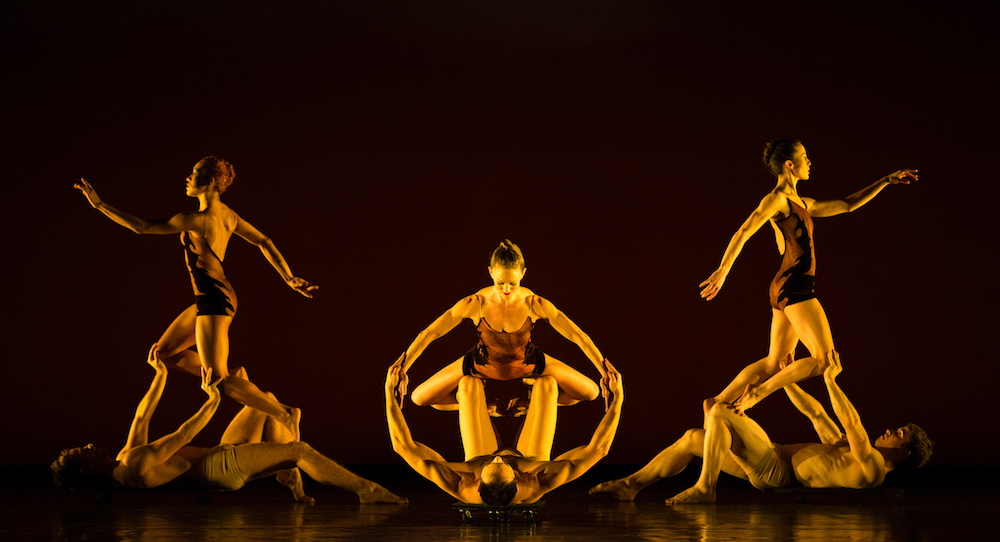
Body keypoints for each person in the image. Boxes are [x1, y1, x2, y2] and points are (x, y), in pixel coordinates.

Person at [74, 157, 316, 437]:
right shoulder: (229, 216)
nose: (188, 178)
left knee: (216, 379)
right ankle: (237, 376)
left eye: (195, 173)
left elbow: (141, 227)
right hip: (211, 300)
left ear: (210, 181)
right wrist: (288, 277)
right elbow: (265, 241)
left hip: (216, 302)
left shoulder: (194, 220)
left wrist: (100, 205)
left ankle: (285, 413)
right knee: (161, 355)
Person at [699, 141, 917, 413]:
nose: (810, 161)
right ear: (789, 164)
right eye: (804, 157)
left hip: (784, 286)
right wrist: (723, 270)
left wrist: (885, 181)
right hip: (795, 286)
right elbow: (744, 231)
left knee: (774, 363)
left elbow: (847, 205)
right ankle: (757, 394)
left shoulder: (802, 203)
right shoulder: (776, 199)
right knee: (825, 361)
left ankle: (717, 402)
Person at [52, 346, 406, 504]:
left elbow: (142, 415)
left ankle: (288, 475)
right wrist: (213, 400)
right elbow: (182, 435)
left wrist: (160, 374)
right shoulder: (133, 466)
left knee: (267, 401)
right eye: (81, 450)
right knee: (298, 449)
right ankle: (367, 491)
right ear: (87, 468)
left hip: (221, 452)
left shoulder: (126, 457)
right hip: (222, 469)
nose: (87, 443)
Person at [589, 351, 932, 504]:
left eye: (898, 434)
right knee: (694, 438)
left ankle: (705, 488)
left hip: (776, 470)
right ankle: (631, 485)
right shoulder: (848, 449)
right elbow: (816, 415)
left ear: (903, 452)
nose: (889, 430)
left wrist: (830, 379)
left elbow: (852, 423)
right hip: (772, 460)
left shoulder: (871, 467)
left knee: (719, 410)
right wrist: (785, 380)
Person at [397, 239, 609, 414]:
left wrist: (604, 370)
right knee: (419, 397)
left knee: (591, 392)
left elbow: (577, 335)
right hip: (481, 363)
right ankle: (480, 406)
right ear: (490, 272)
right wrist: (403, 368)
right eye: (500, 282)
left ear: (523, 273)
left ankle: (534, 401)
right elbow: (430, 333)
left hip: (528, 362)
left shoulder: (535, 304)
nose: (506, 289)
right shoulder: (475, 303)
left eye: (513, 283)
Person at [386, 355, 624, 504]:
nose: (499, 456)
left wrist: (388, 392)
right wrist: (619, 398)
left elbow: (402, 446)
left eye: (493, 464)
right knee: (548, 384)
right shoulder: (536, 482)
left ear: (478, 484)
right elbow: (598, 449)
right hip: (531, 457)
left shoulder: (460, 484)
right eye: (505, 465)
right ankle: (533, 387)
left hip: (478, 455)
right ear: (517, 482)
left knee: (468, 383)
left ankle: (482, 369)